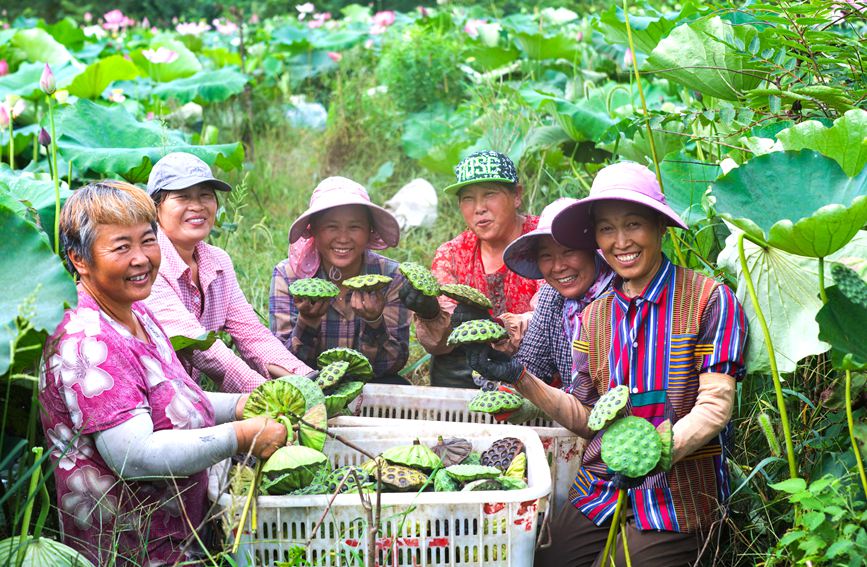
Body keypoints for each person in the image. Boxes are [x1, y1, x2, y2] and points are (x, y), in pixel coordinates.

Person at [463, 162, 748, 566]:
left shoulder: (709, 299)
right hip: (603, 485)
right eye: (607, 229)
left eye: (633, 224)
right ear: (596, 237)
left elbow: (715, 407)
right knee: (546, 559)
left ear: (659, 227)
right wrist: (519, 377)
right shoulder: (597, 315)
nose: (621, 241)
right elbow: (586, 417)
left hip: (679, 492)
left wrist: (657, 452)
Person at [40, 181, 289, 566]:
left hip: (178, 538)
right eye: (121, 247)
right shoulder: (87, 340)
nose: (141, 258)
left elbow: (171, 399)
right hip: (132, 550)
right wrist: (239, 436)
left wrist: (242, 405)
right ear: (80, 260)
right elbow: (134, 456)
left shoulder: (136, 312)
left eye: (147, 241)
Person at [144, 152, 312, 393]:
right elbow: (202, 349)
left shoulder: (218, 262)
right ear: (155, 208)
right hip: (150, 399)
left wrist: (307, 380)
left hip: (193, 398)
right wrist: (267, 394)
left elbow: (252, 335)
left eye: (205, 195)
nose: (197, 206)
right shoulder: (148, 263)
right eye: (182, 197)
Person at [400, 150, 540, 388]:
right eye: (468, 198)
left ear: (516, 195)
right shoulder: (452, 254)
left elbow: (554, 316)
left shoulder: (542, 240)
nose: (479, 208)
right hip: (470, 372)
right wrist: (430, 312)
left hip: (537, 368)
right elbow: (440, 343)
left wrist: (498, 327)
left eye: (490, 194)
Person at [269, 176, 410, 384]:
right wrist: (307, 322)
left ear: (370, 230)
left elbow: (392, 365)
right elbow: (282, 364)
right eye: (331, 227)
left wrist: (374, 322)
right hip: (309, 384)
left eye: (354, 227)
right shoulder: (289, 276)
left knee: (398, 385)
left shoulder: (391, 276)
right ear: (314, 230)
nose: (343, 238)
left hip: (370, 383)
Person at [503, 197, 614, 390]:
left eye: (569, 251)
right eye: (546, 255)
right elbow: (531, 363)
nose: (558, 267)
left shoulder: (619, 295)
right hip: (568, 413)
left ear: (592, 250)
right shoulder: (551, 296)